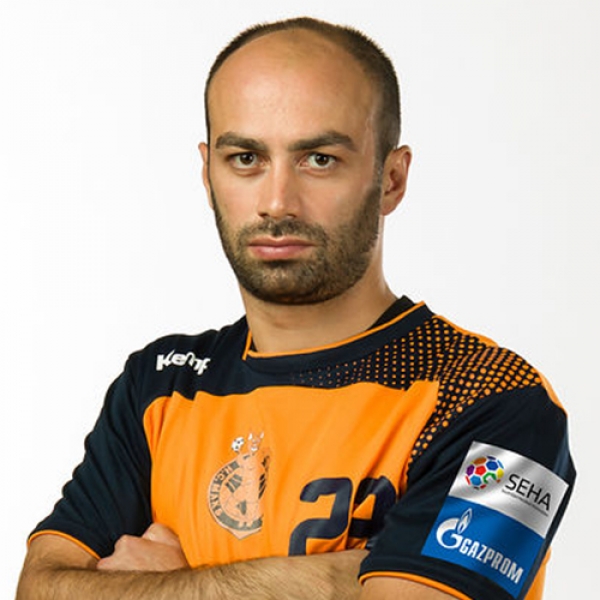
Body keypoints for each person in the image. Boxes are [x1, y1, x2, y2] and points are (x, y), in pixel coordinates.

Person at [16, 16, 575, 600]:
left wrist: (164, 586)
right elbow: (40, 587)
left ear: (391, 179)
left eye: (319, 159)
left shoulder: (499, 401)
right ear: (207, 174)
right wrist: (339, 578)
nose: (277, 201)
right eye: (245, 158)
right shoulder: (159, 387)